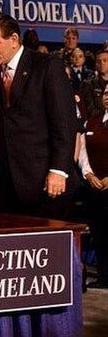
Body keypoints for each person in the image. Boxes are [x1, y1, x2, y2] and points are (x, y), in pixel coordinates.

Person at [0, 13, 79, 220]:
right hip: (7, 188)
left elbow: (64, 122)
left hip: (47, 183)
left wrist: (59, 170)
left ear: (14, 40)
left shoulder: (47, 66)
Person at [77, 87, 108, 289]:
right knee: (100, 233)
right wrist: (88, 173)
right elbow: (83, 149)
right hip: (95, 188)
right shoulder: (93, 120)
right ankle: (104, 276)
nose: (107, 97)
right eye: (106, 93)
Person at [81, 49, 108, 118]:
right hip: (99, 124)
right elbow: (91, 110)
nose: (102, 63)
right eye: (98, 61)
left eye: (105, 60)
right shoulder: (88, 84)